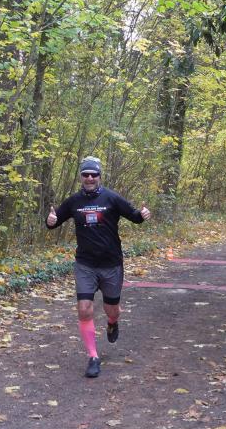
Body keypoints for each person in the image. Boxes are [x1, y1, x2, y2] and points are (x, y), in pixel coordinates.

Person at [46, 156, 151, 378]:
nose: (90, 178)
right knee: (84, 309)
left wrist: (142, 215)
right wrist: (50, 221)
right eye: (86, 174)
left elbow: (134, 216)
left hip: (111, 264)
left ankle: (113, 323)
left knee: (112, 310)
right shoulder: (74, 201)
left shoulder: (111, 198)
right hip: (85, 264)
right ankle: (93, 357)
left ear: (99, 176)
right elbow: (55, 222)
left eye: (94, 174)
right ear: (81, 177)